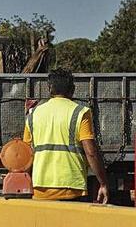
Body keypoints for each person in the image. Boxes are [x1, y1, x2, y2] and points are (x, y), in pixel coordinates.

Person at [23, 69, 109, 203]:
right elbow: (91, 153)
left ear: (49, 88)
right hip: (71, 188)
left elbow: (25, 155)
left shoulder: (33, 114)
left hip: (40, 188)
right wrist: (103, 183)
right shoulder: (81, 112)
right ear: (72, 89)